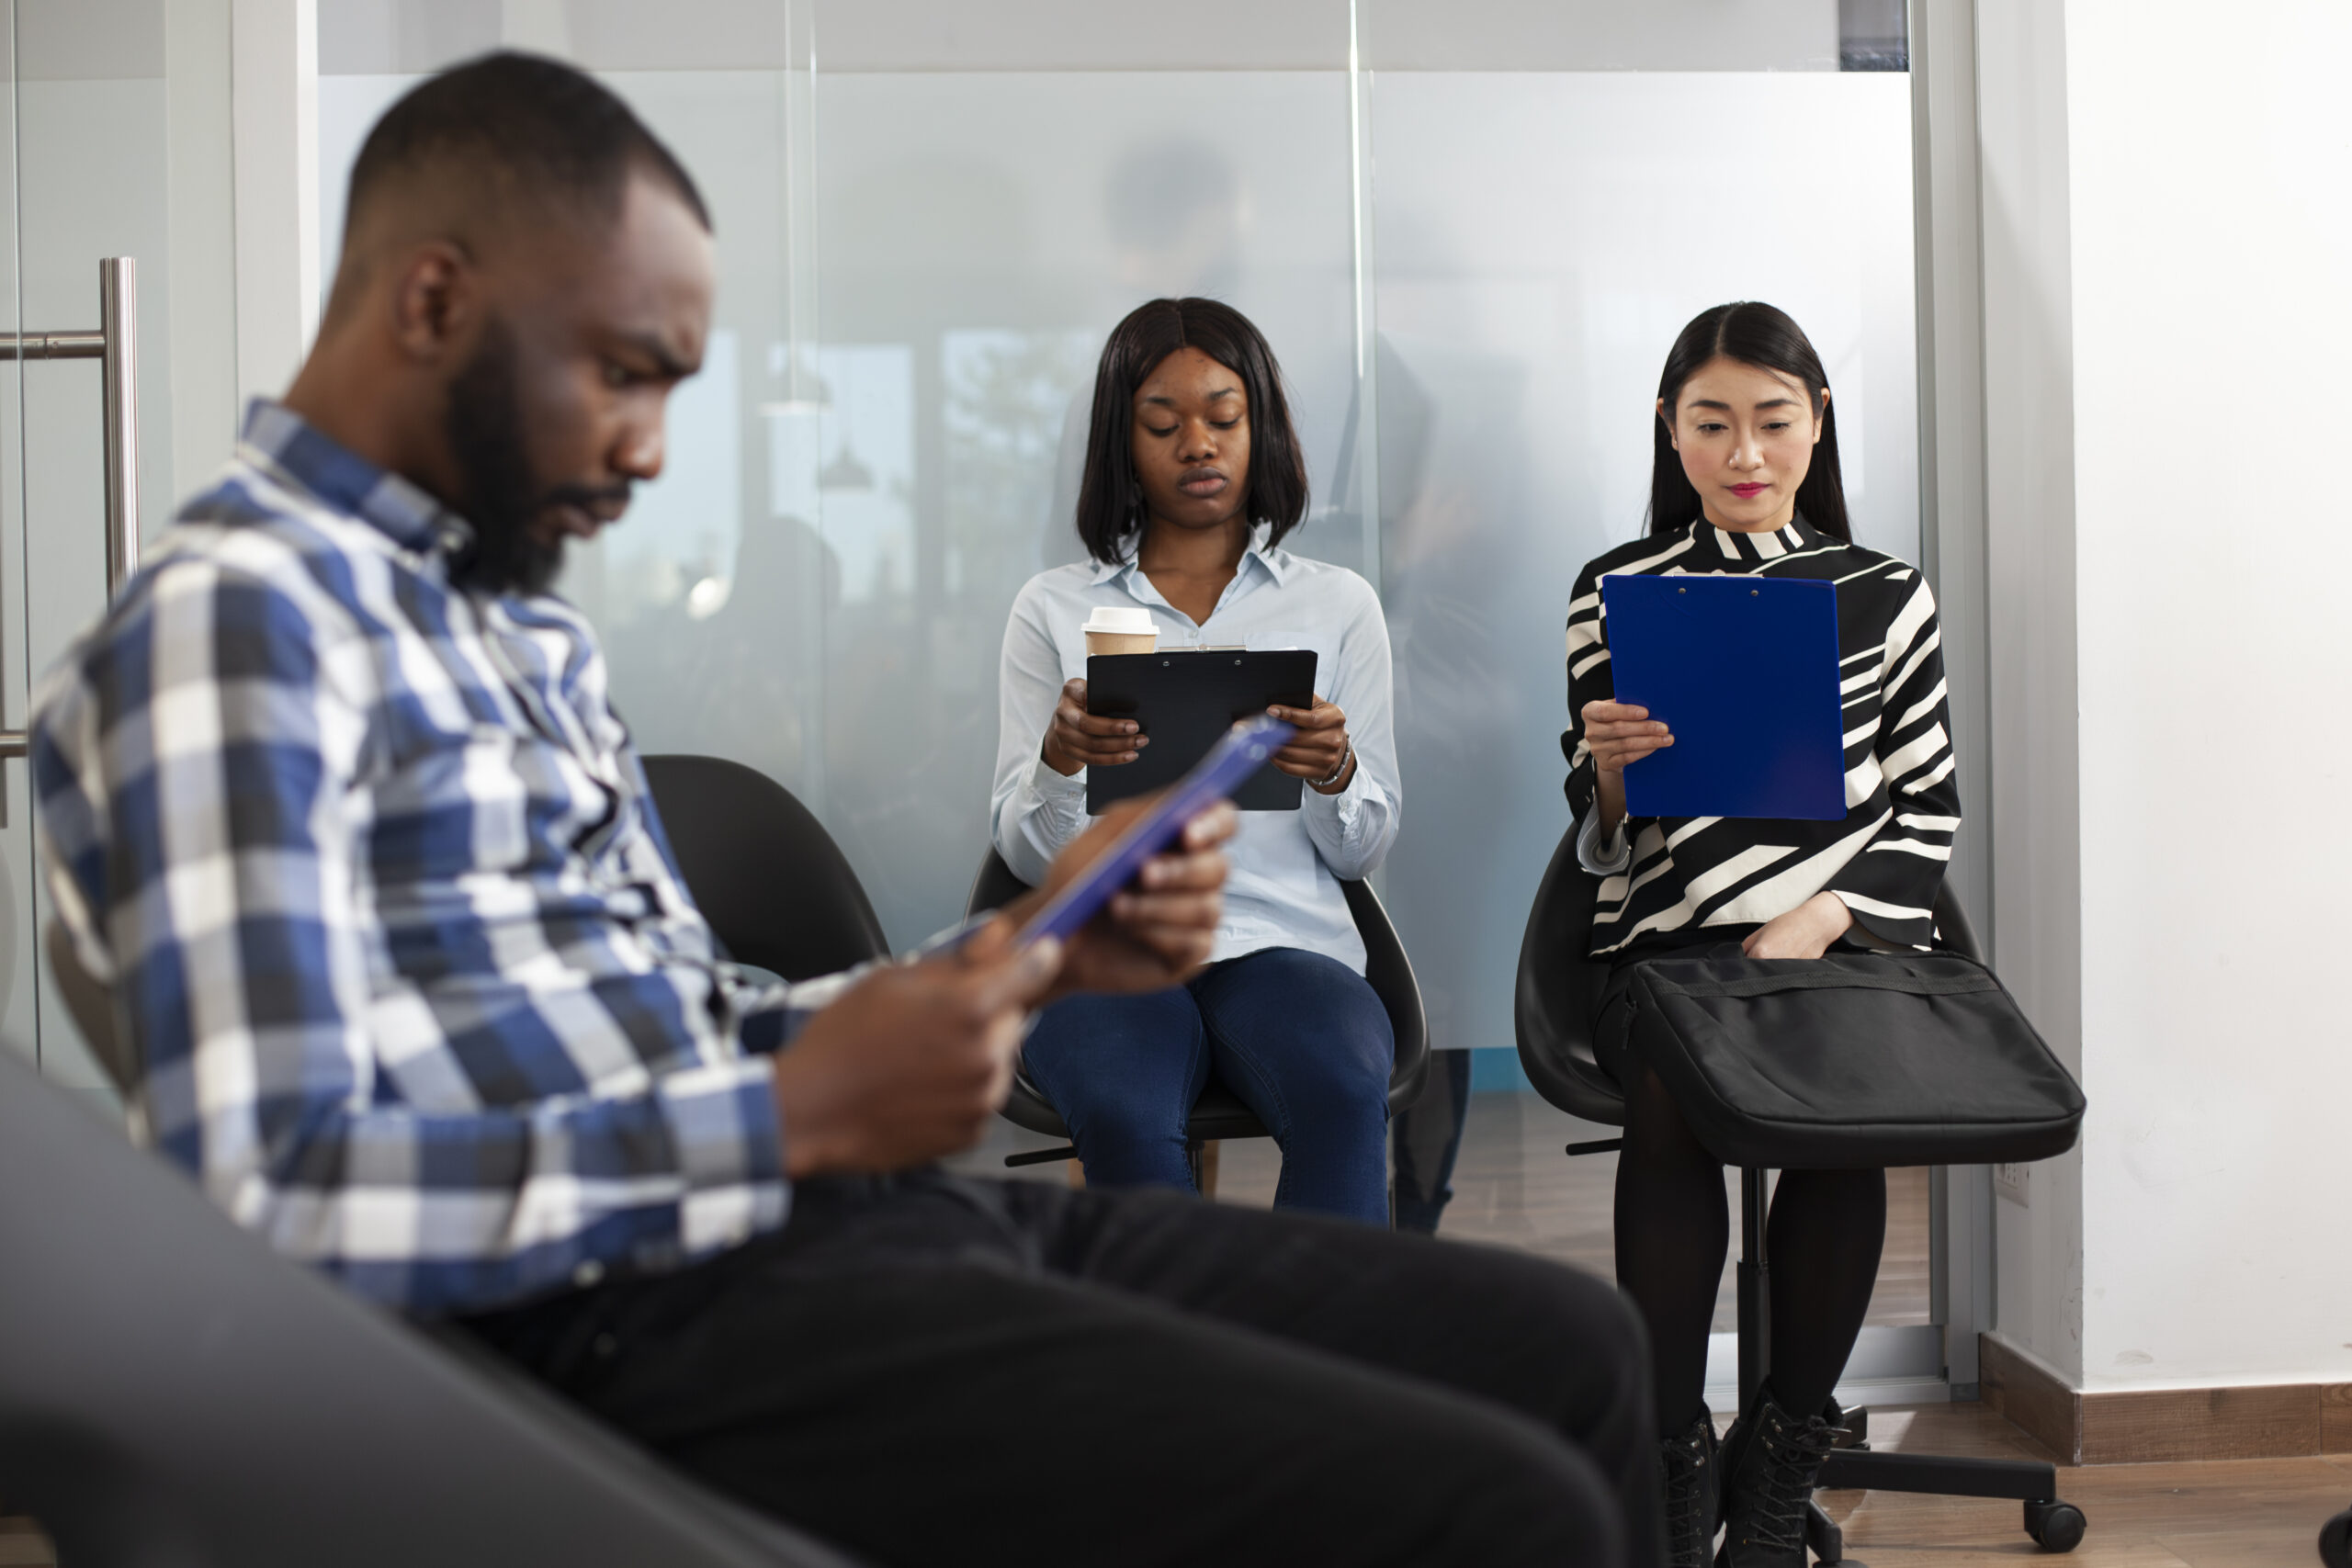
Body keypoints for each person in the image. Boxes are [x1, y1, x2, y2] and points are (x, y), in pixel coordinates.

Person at [30, 55, 1663, 1568]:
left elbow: (686, 1019)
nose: (652, 451)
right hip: (663, 1310)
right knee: (1496, 1499)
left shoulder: (508, 625)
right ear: (436, 299)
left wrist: (1016, 949)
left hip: (843, 1216)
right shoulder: (236, 634)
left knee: (1573, 1349)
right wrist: (793, 1115)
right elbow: (277, 1202)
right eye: (624, 374)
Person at [1559, 301, 1962, 1566]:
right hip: (1669, 945)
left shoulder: (1885, 593)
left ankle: (1781, 1465)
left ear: (1817, 422)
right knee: (1678, 1093)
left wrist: (1821, 912)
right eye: (1713, 423)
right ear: (1671, 435)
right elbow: (1601, 830)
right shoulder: (1617, 591)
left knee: (1845, 1123)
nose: (1745, 451)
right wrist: (1613, 770)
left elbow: (1930, 811)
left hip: (1838, 940)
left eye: (1773, 420)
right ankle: (1672, 1463)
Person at [991, 299, 1403, 1223]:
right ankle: (1180, 1362)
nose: (1197, 445)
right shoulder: (1051, 608)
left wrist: (1334, 773)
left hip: (1282, 944)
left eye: (1223, 417)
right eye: (1162, 423)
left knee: (1341, 1090)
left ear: (1260, 427)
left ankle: (1325, 1357)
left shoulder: (1337, 606)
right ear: (1119, 440)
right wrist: (1060, 762)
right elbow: (1024, 859)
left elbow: (1363, 849)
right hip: (1106, 946)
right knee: (1122, 1110)